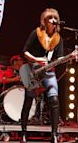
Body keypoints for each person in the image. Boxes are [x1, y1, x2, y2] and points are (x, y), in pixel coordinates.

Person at [20, 8, 64, 143]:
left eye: (55, 18)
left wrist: (67, 58)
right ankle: (23, 132)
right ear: (45, 21)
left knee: (54, 100)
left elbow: (60, 58)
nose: (53, 21)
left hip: (49, 73)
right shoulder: (36, 33)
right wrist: (36, 60)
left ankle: (54, 134)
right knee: (28, 100)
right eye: (50, 18)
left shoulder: (58, 39)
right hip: (33, 71)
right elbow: (25, 51)